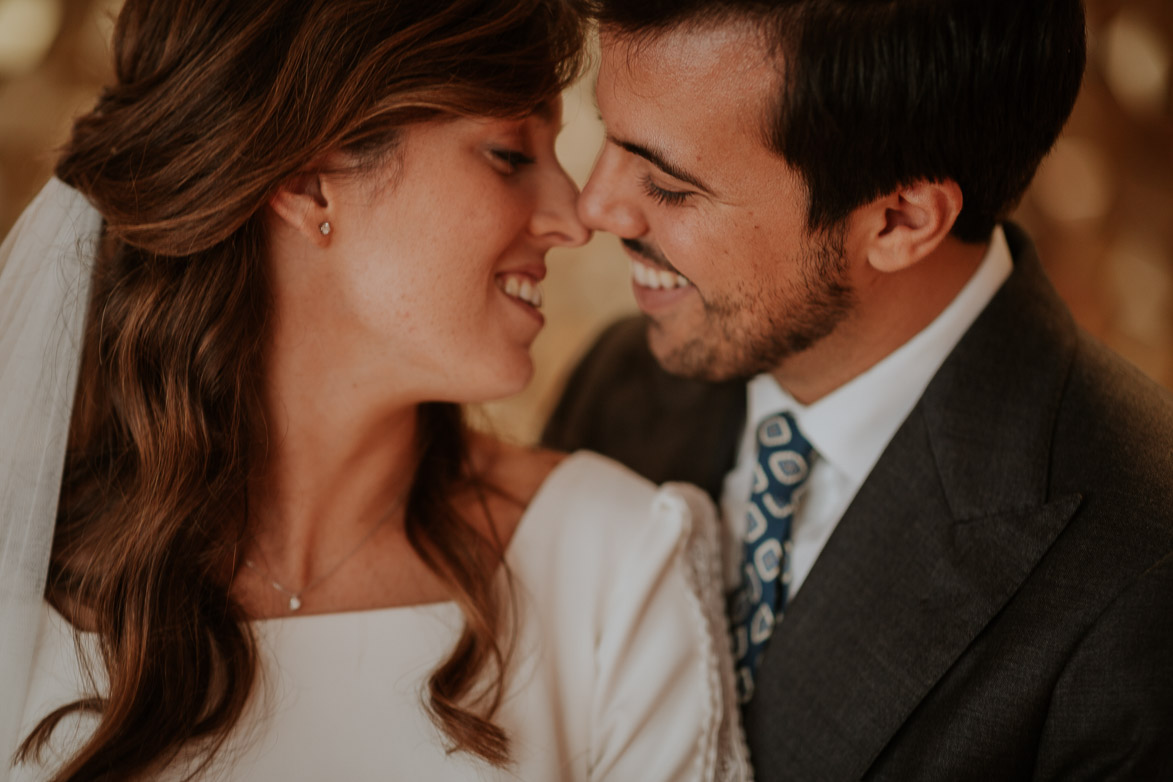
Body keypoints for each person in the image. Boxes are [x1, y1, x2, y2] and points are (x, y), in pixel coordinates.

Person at [0, 1, 750, 780]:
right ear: (307, 181)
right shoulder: (19, 559)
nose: (574, 217)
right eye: (507, 154)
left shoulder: (612, 566)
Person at [544, 1, 1173, 779]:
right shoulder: (622, 381)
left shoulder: (1141, 575)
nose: (592, 205)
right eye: (607, 133)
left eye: (668, 185)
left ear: (900, 220)